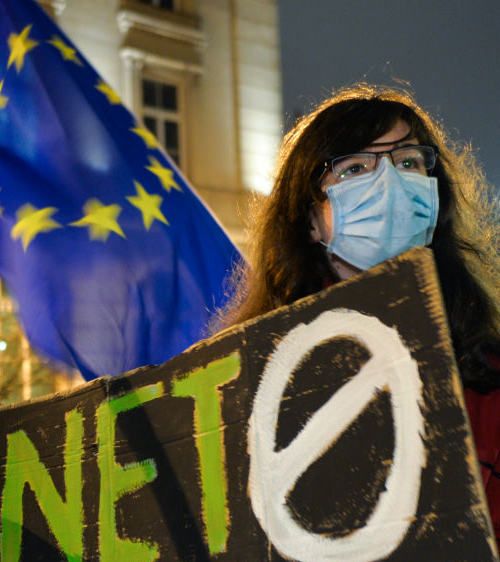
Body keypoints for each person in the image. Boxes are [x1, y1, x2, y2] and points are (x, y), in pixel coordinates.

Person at [210, 83, 500, 536]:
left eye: (408, 162)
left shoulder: (488, 376)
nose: (390, 184)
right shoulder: (246, 384)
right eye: (355, 168)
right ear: (310, 220)